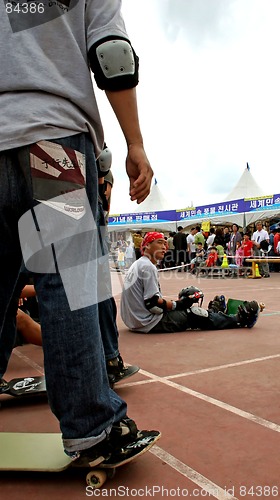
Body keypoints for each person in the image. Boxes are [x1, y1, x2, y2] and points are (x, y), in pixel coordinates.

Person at [0, 1, 157, 463]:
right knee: (69, 284)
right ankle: (91, 429)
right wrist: (135, 143)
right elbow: (112, 53)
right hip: (51, 139)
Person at [120, 232, 260, 334]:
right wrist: (178, 304)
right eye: (159, 242)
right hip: (147, 322)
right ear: (146, 247)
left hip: (135, 321)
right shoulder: (147, 267)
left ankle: (215, 314)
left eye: (165, 243)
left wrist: (177, 304)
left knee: (185, 307)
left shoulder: (138, 264)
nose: (164, 247)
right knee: (194, 314)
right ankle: (237, 319)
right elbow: (153, 303)